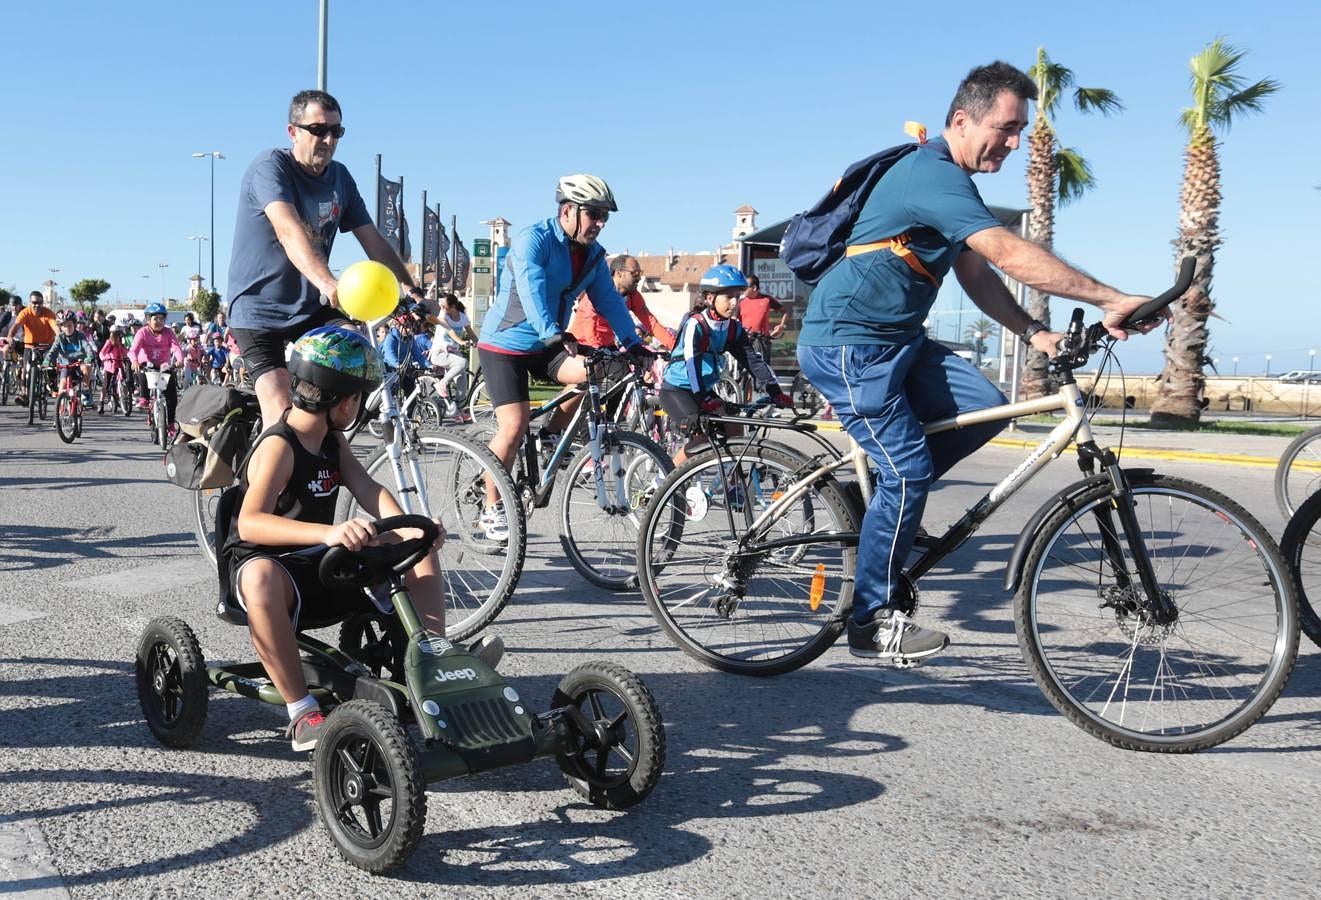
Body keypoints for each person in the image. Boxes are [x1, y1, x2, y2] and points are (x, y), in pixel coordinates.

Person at [795, 61, 1161, 666]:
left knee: (988, 407)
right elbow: (1004, 249)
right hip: (847, 343)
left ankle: (880, 507)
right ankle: (871, 620)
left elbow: (977, 273)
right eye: (1008, 128)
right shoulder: (930, 173)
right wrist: (1110, 297)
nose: (1016, 144)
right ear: (961, 120)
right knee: (909, 471)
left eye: (1021, 131)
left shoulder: (954, 185)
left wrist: (1035, 331)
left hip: (900, 341)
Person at [220, 325, 501, 751]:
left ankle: (436, 662)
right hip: (272, 571)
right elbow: (250, 523)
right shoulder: (280, 446)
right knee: (260, 578)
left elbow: (369, 490)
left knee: (415, 546)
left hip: (320, 562)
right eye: (359, 397)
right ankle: (302, 713)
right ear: (342, 399)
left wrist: (411, 527)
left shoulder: (331, 441)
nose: (359, 405)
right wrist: (331, 531)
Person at [226, 89, 429, 432]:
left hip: (309, 308)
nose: (329, 139)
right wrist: (328, 282)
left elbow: (373, 240)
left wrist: (411, 290)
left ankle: (323, 462)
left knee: (357, 358)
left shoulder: (341, 178)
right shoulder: (270, 168)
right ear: (293, 131)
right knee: (281, 416)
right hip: (258, 311)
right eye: (318, 130)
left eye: (337, 131)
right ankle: (261, 479)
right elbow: (289, 232)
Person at [475, 174, 653, 539]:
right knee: (513, 424)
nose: (600, 223)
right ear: (568, 210)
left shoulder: (593, 257)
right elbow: (532, 290)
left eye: (605, 216)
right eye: (594, 214)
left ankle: (553, 434)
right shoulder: (534, 241)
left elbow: (609, 301)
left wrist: (634, 344)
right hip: (505, 345)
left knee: (593, 372)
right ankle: (490, 505)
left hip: (548, 344)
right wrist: (553, 335)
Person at [659, 265, 792, 465]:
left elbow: (752, 360)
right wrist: (701, 402)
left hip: (702, 390)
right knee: (701, 439)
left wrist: (775, 391)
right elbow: (692, 364)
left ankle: (733, 486)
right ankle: (663, 482)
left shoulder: (732, 328)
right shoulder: (696, 324)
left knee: (735, 427)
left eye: (737, 297)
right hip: (677, 390)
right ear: (711, 298)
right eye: (728, 297)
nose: (734, 302)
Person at [569, 255, 675, 352]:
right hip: (582, 344)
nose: (639, 278)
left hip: (607, 345)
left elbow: (652, 324)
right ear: (619, 273)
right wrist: (597, 348)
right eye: (635, 274)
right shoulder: (599, 289)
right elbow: (589, 321)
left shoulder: (633, 296)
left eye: (640, 273)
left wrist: (675, 347)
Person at [128, 302, 185, 423]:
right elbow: (133, 350)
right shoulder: (142, 332)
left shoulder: (168, 332)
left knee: (172, 398)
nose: (159, 321)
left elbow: (176, 347)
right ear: (148, 319)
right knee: (143, 370)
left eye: (162, 318)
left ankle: (170, 424)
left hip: (164, 366)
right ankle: (144, 398)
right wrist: (135, 361)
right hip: (147, 365)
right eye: (155, 318)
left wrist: (180, 360)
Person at [427, 294, 476, 418]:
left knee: (462, 381)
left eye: (444, 306)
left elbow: (471, 333)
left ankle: (458, 412)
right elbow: (450, 331)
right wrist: (461, 342)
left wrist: (481, 344)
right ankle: (442, 383)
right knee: (463, 363)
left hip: (453, 355)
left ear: (453, 306)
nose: (441, 308)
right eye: (441, 306)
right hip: (440, 353)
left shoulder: (462, 317)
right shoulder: (443, 316)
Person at [5, 291, 57, 406]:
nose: (37, 305)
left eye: (39, 302)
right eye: (34, 302)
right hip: (29, 346)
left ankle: (52, 386)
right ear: (29, 302)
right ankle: (24, 394)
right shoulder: (25, 313)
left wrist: (60, 338)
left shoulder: (49, 313)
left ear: (42, 303)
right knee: (25, 370)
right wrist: (10, 337)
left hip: (46, 346)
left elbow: (56, 328)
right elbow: (15, 326)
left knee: (50, 367)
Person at [44, 314, 96, 404]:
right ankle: (61, 411)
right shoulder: (59, 338)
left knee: (87, 368)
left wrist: (90, 357)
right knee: (61, 389)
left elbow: (87, 347)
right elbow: (53, 351)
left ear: (74, 325)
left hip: (79, 362)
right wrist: (47, 360)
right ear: (61, 328)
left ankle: (85, 391)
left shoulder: (80, 336)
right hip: (66, 365)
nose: (67, 328)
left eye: (70, 325)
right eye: (65, 326)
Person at [738, 274, 788, 365]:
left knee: (763, 369)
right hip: (745, 341)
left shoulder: (767, 300)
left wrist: (781, 326)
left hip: (762, 341)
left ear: (754, 287)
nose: (743, 290)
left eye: (745, 287)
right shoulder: (741, 302)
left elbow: (785, 312)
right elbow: (735, 321)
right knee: (743, 370)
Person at [99, 324, 131, 410]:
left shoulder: (120, 344)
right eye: (117, 334)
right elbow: (102, 353)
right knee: (106, 384)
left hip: (119, 365)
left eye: (119, 334)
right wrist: (104, 358)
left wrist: (131, 357)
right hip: (109, 366)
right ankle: (101, 403)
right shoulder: (109, 342)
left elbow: (126, 352)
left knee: (123, 380)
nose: (118, 336)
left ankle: (123, 398)